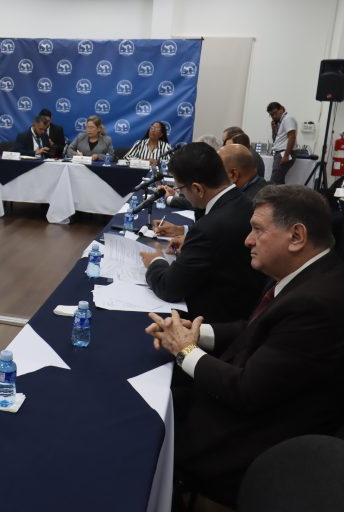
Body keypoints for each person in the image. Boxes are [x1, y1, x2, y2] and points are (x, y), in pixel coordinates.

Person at [145, 185, 344, 507]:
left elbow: (245, 390)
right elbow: (255, 329)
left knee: (139, 428)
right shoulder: (310, 273)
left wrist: (184, 351)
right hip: (244, 405)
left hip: (247, 441)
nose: (248, 241)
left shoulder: (316, 304)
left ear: (296, 236)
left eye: (257, 230)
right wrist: (195, 332)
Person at [140, 142, 265, 322]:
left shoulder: (208, 228)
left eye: (180, 190)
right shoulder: (245, 202)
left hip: (216, 318)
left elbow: (169, 288)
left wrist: (156, 261)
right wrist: (191, 243)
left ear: (198, 188)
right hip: (245, 304)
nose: (182, 195)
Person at [266, 101, 297, 184]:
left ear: (282, 109)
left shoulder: (288, 119)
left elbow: (292, 136)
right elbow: (276, 141)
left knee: (274, 182)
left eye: (275, 113)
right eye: (271, 115)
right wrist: (274, 130)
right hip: (280, 153)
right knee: (279, 182)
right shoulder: (281, 122)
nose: (274, 116)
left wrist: (286, 155)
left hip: (284, 153)